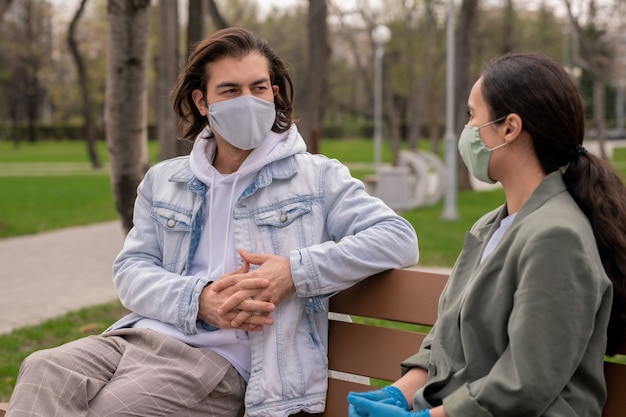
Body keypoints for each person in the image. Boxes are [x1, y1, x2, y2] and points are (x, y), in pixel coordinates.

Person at [6, 27, 418, 417]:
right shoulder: (165, 180)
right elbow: (131, 271)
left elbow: (398, 238)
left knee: (106, 410)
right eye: (231, 90)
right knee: (42, 370)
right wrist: (199, 300)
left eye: (258, 88)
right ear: (203, 102)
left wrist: (293, 272)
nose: (249, 100)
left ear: (274, 94)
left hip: (222, 362)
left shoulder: (317, 177)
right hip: (137, 337)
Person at [348, 52, 626, 417]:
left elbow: (527, 382)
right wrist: (398, 394)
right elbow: (447, 339)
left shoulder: (558, 237)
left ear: (509, 128)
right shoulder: (489, 226)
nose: (467, 129)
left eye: (471, 115)